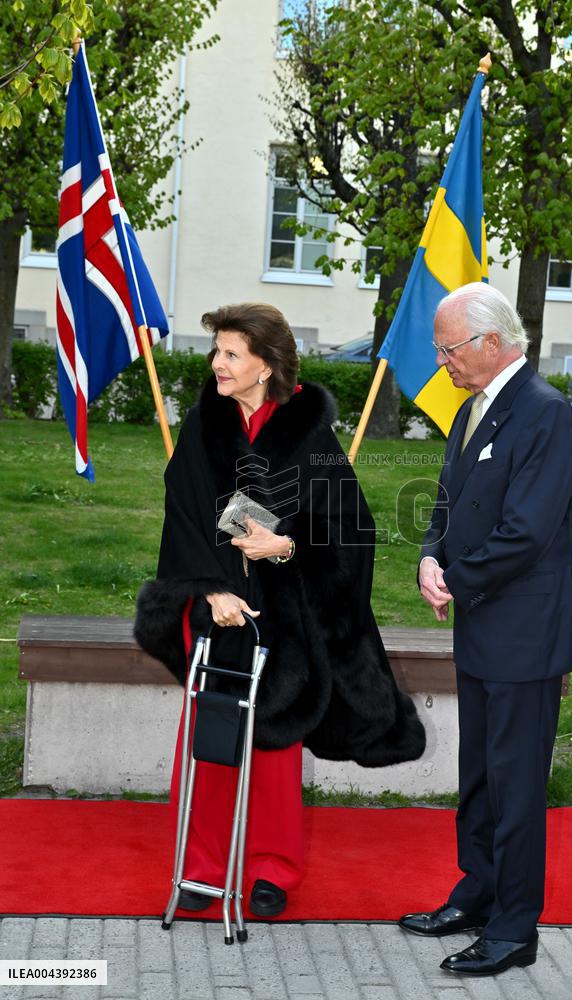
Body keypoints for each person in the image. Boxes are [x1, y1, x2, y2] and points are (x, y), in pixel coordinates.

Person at [135, 301, 425, 919]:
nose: (217, 363)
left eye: (231, 354)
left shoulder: (309, 436)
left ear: (265, 366)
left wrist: (285, 544)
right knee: (209, 743)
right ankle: (200, 872)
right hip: (216, 611)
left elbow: (352, 528)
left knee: (275, 749)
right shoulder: (201, 427)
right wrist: (209, 591)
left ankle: (272, 872)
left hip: (283, 615)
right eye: (218, 352)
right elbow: (181, 516)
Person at [398, 282, 572, 976]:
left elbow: (528, 532)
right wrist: (428, 555)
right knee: (478, 776)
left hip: (524, 633)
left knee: (514, 787)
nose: (443, 362)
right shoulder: (472, 409)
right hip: (481, 625)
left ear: (490, 342)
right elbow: (448, 501)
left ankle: (513, 930)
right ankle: (477, 892)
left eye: (448, 349)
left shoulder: (545, 414)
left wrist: (458, 577)